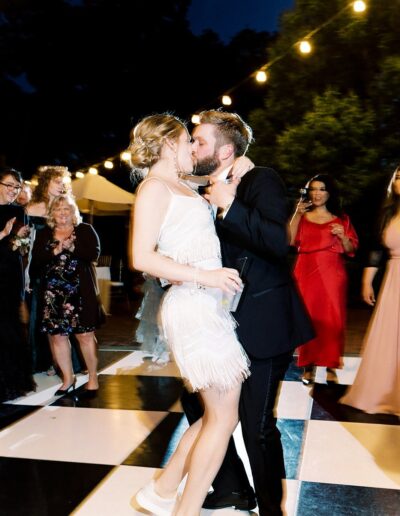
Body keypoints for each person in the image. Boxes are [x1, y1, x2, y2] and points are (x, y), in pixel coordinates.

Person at [187, 109, 314, 516]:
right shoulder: (203, 185)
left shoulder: (262, 179)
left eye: (199, 140)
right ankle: (234, 488)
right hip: (220, 321)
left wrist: (229, 206)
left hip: (262, 320)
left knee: (257, 427)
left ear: (225, 151)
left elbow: (277, 243)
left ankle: (272, 511)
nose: (192, 146)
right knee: (197, 406)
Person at [129, 113, 250, 515]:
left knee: (217, 415)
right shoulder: (154, 188)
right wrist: (206, 275)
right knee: (223, 416)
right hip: (192, 304)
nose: (192, 150)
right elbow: (141, 257)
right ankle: (184, 508)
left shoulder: (181, 185)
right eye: (186, 142)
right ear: (166, 145)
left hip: (205, 305)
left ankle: (162, 492)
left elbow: (222, 176)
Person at [340, 167, 400, 415]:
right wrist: (367, 281)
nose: (399, 180)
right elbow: (376, 249)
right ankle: (383, 392)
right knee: (390, 337)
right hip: (393, 280)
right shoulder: (389, 213)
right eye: (397, 176)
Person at [289, 174, 358, 385]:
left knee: (332, 320)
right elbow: (290, 241)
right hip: (305, 272)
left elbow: (351, 249)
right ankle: (307, 365)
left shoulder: (342, 219)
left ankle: (331, 366)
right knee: (307, 320)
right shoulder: (301, 216)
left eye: (321, 189)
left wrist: (342, 237)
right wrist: (296, 215)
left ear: (329, 193)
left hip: (332, 274)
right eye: (313, 189)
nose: (317, 193)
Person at [30, 195, 101, 395]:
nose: (62, 213)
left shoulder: (85, 229)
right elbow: (35, 264)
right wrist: (55, 251)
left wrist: (73, 248)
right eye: (58, 209)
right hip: (53, 294)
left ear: (73, 212)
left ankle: (93, 377)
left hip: (80, 293)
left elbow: (93, 254)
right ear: (52, 213)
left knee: (85, 335)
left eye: (66, 209)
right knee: (58, 337)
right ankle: (68, 378)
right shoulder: (45, 233)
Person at [25, 165, 82, 375]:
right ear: (46, 182)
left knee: (66, 315)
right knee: (41, 314)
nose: (62, 186)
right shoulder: (31, 208)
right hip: (40, 268)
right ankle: (44, 361)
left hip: (64, 268)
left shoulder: (66, 206)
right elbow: (27, 244)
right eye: (57, 182)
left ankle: (67, 364)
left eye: (64, 183)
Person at [0, 167, 36, 402]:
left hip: (8, 273)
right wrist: (3, 234)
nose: (14, 190)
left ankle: (9, 383)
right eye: (10, 185)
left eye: (17, 186)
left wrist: (21, 239)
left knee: (8, 326)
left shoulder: (19, 211)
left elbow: (19, 248)